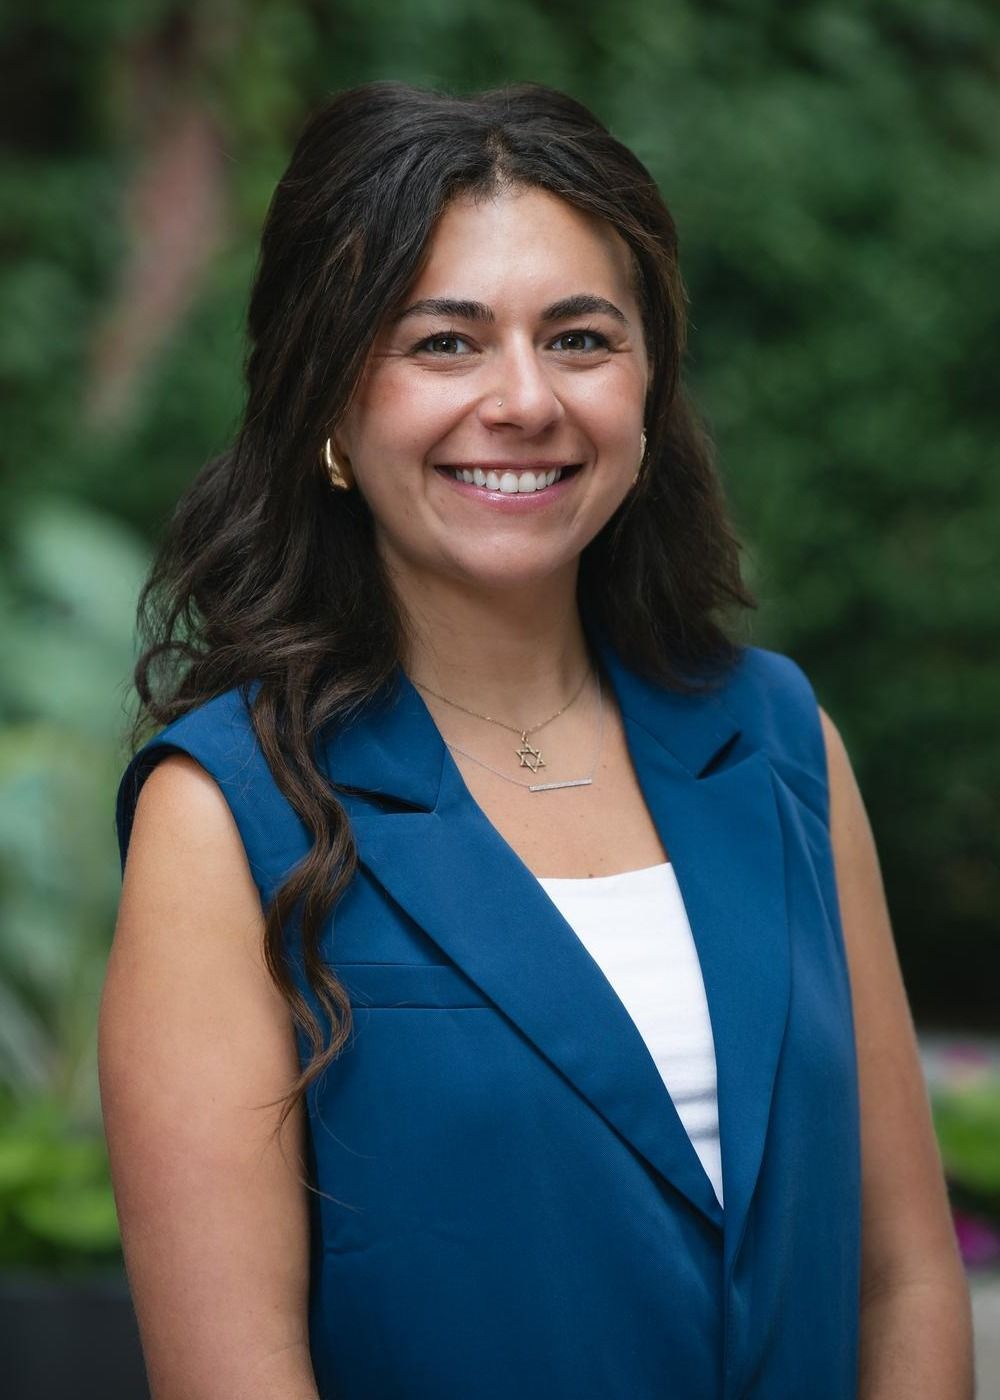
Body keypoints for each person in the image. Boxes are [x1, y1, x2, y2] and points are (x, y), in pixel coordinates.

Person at [99, 82, 973, 1399]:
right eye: (444, 343)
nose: (524, 400)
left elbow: (902, 1281)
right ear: (330, 403)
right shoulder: (227, 816)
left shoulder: (782, 742)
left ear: (649, 384)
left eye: (579, 337)